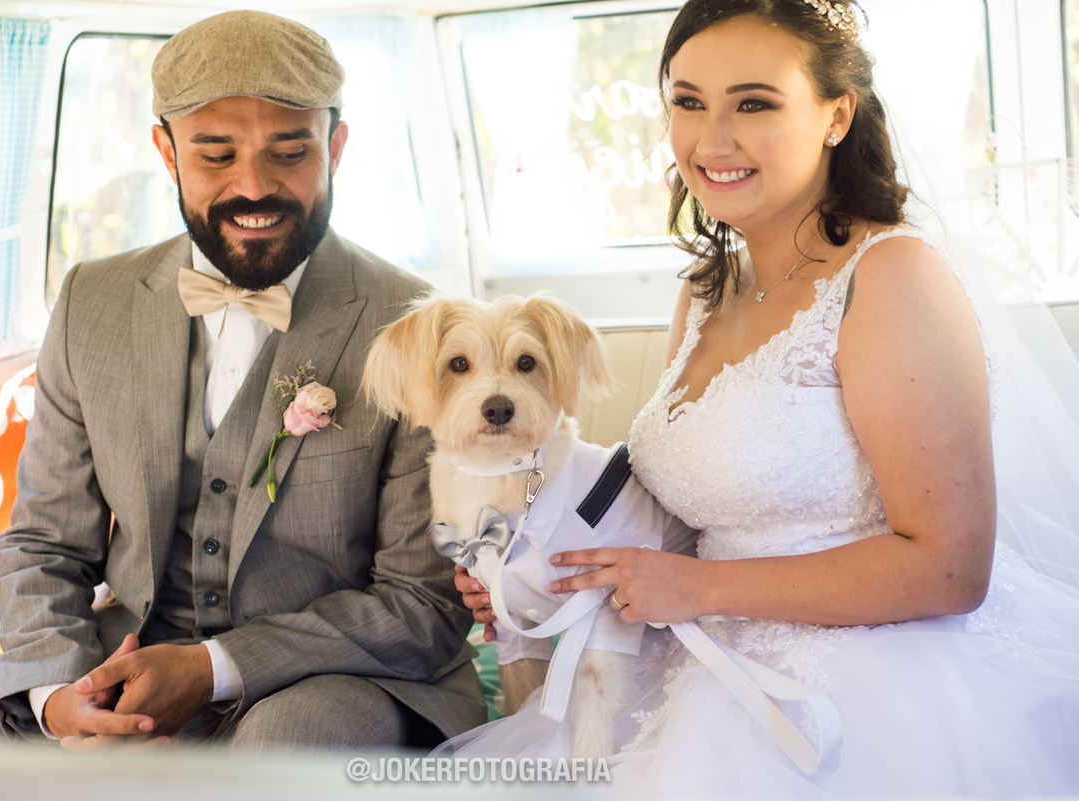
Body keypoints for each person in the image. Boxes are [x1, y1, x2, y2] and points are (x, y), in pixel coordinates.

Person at [443, 0, 1079, 795]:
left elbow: (951, 567)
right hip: (690, 660)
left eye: (754, 103)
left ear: (836, 113)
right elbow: (675, 515)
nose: (712, 140)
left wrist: (702, 588)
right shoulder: (705, 291)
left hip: (870, 684)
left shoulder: (891, 280)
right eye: (687, 102)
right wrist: (532, 570)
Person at [0, 10, 485, 750]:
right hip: (117, 663)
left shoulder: (418, 326)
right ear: (166, 152)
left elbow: (421, 603)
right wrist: (62, 699)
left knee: (273, 754)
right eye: (216, 155)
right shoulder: (90, 302)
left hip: (336, 675)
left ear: (336, 146)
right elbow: (42, 543)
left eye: (289, 152)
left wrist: (211, 666)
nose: (253, 187)